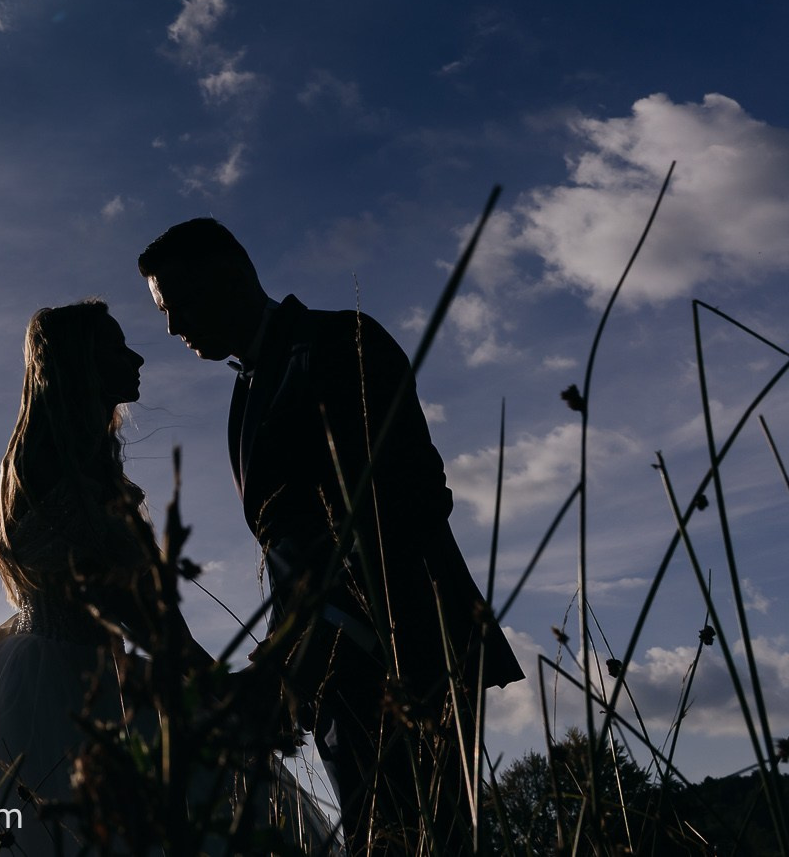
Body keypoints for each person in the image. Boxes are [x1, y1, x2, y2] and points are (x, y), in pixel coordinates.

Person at [137, 217, 523, 856]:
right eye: (164, 314)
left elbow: (407, 499)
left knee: (433, 838)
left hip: (401, 653)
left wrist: (297, 657)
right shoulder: (244, 392)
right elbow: (286, 553)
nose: (173, 329)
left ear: (231, 276)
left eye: (178, 306)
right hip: (329, 680)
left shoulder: (341, 340)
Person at [0, 301, 325, 855]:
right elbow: (129, 607)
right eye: (117, 347)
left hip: (63, 669)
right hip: (65, 685)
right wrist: (219, 688)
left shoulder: (63, 463)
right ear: (82, 363)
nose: (137, 355)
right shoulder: (61, 471)